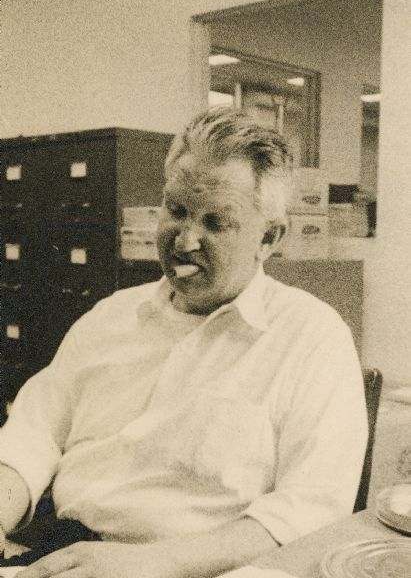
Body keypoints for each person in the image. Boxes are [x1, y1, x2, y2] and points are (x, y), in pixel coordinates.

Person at [0, 107, 368, 578]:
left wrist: (153, 563)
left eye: (215, 223)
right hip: (66, 556)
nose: (185, 240)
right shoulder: (108, 317)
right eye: (176, 211)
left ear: (269, 237)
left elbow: (311, 507)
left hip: (200, 569)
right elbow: (33, 434)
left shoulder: (311, 335)